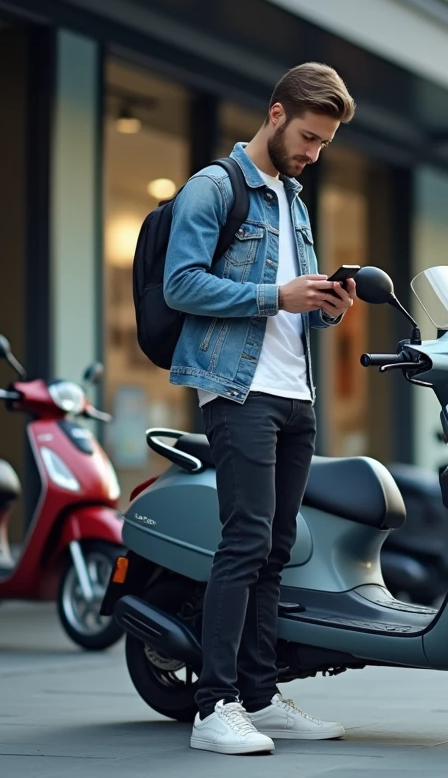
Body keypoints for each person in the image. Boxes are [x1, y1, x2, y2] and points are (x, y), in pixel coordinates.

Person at [163, 62, 357, 756]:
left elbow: (293, 302)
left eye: (324, 144)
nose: (313, 152)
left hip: (295, 394)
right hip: (238, 390)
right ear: (276, 114)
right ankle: (212, 707)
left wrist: (326, 306)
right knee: (243, 544)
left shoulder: (295, 200)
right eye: (308, 136)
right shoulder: (214, 188)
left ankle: (259, 696)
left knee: (274, 550)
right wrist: (277, 298)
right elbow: (182, 284)